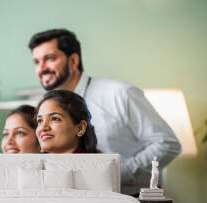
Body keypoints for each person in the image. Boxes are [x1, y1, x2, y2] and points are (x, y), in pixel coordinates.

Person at [28, 29, 181, 194]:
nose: (41, 68)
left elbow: (166, 143)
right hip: (75, 202)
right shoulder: (44, 108)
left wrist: (117, 174)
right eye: (37, 62)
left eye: (49, 58)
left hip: (131, 200)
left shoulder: (119, 93)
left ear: (73, 60)